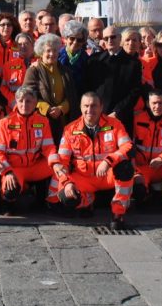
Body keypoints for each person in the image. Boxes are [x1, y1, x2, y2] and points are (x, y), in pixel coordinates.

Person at [49, 92, 134, 230]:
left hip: (107, 175)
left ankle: (118, 213)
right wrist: (67, 183)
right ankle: (86, 201)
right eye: (86, 106)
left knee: (125, 168)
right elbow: (62, 160)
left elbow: (128, 147)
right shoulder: (70, 129)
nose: (89, 110)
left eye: (94, 106)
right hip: (83, 177)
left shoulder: (115, 124)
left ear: (101, 107)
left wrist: (108, 161)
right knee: (66, 197)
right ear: (80, 107)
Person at [0, 85, 58, 211]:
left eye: (28, 101)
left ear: (35, 103)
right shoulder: (4, 123)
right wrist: (7, 172)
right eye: (21, 101)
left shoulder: (43, 121)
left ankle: (53, 201)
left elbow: (49, 147)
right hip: (14, 169)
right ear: (16, 101)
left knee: (61, 167)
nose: (24, 104)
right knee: (10, 191)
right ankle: (7, 201)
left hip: (35, 167)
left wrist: (56, 163)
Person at [85, 26, 143, 127]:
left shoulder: (133, 63)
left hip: (122, 117)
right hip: (97, 116)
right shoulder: (94, 61)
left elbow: (135, 91)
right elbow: (88, 87)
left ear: (120, 38)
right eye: (106, 38)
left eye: (113, 37)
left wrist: (117, 112)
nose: (109, 40)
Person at [24, 33, 75, 131]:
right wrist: (46, 108)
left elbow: (72, 96)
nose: (52, 54)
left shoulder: (66, 71)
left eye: (55, 50)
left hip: (63, 122)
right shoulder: (33, 70)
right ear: (41, 52)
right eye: (48, 50)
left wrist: (61, 109)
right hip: (40, 122)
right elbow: (27, 95)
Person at [57, 20, 90, 98]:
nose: (75, 42)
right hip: (61, 98)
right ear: (65, 39)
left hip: (80, 98)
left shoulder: (87, 59)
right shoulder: (57, 56)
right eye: (72, 38)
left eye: (79, 40)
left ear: (83, 41)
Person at [0, 32, 34, 106]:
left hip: (35, 105)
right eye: (20, 44)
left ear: (32, 45)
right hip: (14, 106)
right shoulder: (8, 65)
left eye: (26, 43)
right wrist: (13, 100)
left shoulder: (39, 63)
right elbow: (3, 87)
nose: (22, 46)